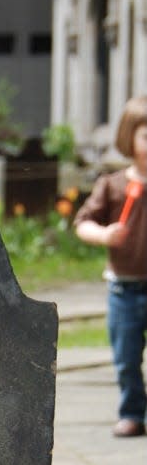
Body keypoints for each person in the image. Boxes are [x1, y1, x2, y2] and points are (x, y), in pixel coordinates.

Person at [75, 95, 147, 437]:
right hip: (125, 288)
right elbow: (82, 223)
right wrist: (105, 235)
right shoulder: (113, 185)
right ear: (128, 139)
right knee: (126, 357)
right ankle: (132, 412)